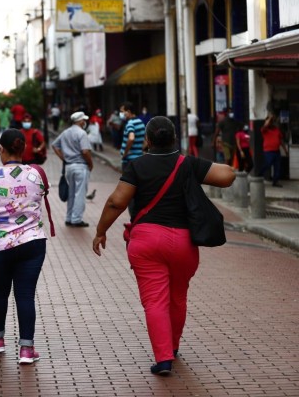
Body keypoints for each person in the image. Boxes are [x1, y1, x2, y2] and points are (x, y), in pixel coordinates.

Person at [92, 116, 235, 376]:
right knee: (177, 297)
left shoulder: (137, 166)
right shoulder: (187, 164)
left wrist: (101, 231)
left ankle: (163, 359)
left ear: (147, 140)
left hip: (146, 241)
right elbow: (227, 176)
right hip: (183, 242)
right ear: (173, 139)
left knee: (155, 301)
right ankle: (174, 346)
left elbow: (116, 201)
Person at [0, 129, 48, 365]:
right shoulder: (36, 174)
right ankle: (27, 349)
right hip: (32, 242)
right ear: (24, 149)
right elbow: (41, 195)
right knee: (25, 295)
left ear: (1, 149)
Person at [52, 111, 94, 227]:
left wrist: (64, 158)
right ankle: (76, 219)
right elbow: (85, 151)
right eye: (84, 120)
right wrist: (90, 164)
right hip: (81, 166)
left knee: (71, 193)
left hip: (69, 167)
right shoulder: (82, 133)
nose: (85, 122)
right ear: (80, 121)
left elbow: (55, 145)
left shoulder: (65, 132)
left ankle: (69, 217)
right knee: (80, 193)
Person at [259, 114, 288, 187]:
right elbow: (266, 125)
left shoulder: (276, 130)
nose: (271, 123)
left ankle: (275, 182)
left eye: (272, 121)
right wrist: (270, 118)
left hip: (276, 151)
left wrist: (285, 150)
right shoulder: (264, 130)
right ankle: (259, 175)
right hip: (268, 151)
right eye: (270, 121)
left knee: (277, 167)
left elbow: (281, 141)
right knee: (268, 164)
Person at [120, 101, 146, 172]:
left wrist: (125, 154)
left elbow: (131, 138)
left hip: (129, 160)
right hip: (139, 158)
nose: (122, 114)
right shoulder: (141, 122)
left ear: (128, 111)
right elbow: (145, 142)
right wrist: (139, 151)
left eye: (122, 112)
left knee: (127, 182)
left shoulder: (130, 124)